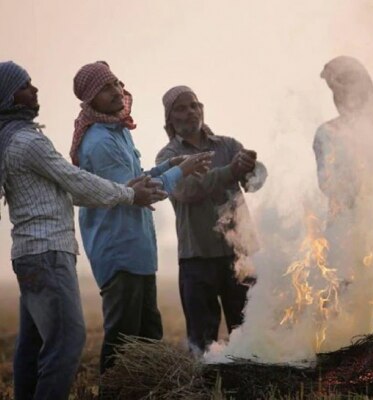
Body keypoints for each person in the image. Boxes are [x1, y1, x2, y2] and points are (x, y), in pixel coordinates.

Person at [0, 61, 164, 400]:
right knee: (68, 341)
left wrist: (125, 191)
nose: (34, 90)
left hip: (31, 254)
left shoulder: (11, 140)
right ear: (7, 96)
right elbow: (74, 179)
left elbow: (70, 190)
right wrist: (129, 194)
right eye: (25, 86)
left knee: (32, 345)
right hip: (48, 254)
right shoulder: (28, 142)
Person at [70, 62, 212, 379]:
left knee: (148, 336)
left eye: (118, 84)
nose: (117, 91)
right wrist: (182, 171)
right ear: (91, 98)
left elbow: (135, 181)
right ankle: (113, 392)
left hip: (137, 252)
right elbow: (137, 195)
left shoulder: (117, 132)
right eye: (106, 88)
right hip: (120, 252)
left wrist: (170, 165)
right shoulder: (101, 142)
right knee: (123, 341)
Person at [156, 85, 266, 354]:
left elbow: (254, 184)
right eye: (181, 108)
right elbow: (187, 190)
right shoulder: (167, 157)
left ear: (201, 109)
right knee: (202, 341)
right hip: (197, 258)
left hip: (240, 255)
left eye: (194, 105)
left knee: (250, 334)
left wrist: (253, 167)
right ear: (170, 119)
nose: (190, 112)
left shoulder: (228, 146)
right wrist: (230, 171)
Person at [313, 56, 373, 336]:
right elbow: (326, 183)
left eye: (348, 84)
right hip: (341, 231)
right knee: (341, 299)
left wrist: (372, 187)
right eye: (336, 88)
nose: (341, 94)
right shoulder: (327, 133)